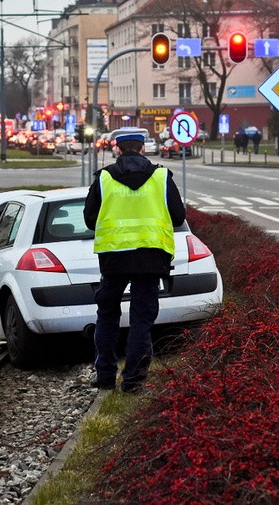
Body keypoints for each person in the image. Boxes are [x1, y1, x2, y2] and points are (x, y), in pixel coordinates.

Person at [83, 126, 185, 393]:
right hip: (151, 256)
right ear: (143, 148)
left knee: (107, 315)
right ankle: (134, 380)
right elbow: (178, 217)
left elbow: (89, 219)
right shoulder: (162, 177)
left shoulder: (104, 178)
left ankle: (105, 375)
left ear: (117, 148)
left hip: (113, 258)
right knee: (142, 318)